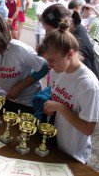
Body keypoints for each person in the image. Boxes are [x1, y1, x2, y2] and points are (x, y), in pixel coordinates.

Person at [38, 22, 99, 164]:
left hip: (75, 154)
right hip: (56, 143)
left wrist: (59, 106)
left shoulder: (88, 84)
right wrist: (50, 108)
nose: (49, 65)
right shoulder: (56, 71)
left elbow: (88, 129)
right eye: (47, 60)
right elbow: (58, 101)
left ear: (70, 54)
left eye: (52, 60)